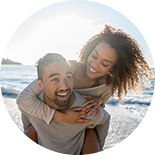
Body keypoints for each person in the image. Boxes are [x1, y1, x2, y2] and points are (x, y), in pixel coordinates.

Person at [15, 24, 153, 154]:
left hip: (81, 124)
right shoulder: (69, 68)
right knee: (20, 148)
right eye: (94, 55)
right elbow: (24, 98)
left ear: (114, 67)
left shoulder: (108, 86)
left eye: (105, 64)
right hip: (52, 114)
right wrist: (62, 116)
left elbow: (97, 111)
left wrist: (99, 101)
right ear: (90, 49)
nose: (94, 65)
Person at [14, 53, 110, 155]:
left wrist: (98, 145)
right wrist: (37, 131)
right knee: (19, 149)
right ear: (40, 85)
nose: (64, 86)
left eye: (68, 77)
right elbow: (24, 110)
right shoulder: (34, 103)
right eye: (55, 79)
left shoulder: (83, 108)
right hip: (43, 151)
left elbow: (105, 119)